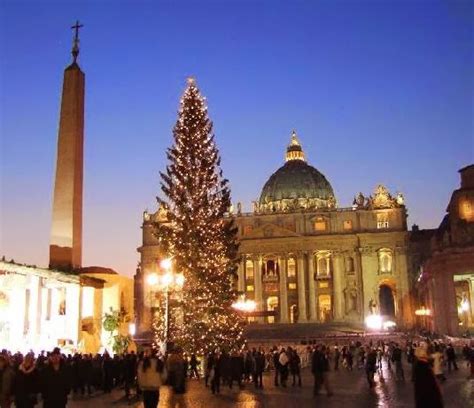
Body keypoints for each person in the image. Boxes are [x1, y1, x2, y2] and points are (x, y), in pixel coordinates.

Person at [413, 343, 443, 408]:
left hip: (424, 398)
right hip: (429, 398)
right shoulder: (423, 366)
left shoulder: (421, 365)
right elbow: (429, 384)